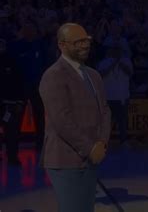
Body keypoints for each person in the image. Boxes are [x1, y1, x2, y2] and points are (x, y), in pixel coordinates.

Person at [39, 23, 111, 212]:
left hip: (92, 157)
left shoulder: (93, 75)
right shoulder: (53, 76)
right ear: (62, 45)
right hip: (65, 160)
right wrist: (89, 148)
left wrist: (102, 143)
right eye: (78, 42)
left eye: (86, 40)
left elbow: (104, 110)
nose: (84, 45)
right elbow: (62, 121)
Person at [97, 46, 133, 146]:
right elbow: (101, 75)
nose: (116, 52)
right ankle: (104, 142)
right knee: (106, 122)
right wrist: (112, 64)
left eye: (118, 50)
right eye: (114, 50)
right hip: (108, 97)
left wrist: (119, 62)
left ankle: (123, 141)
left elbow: (130, 73)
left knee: (122, 121)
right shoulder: (104, 62)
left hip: (122, 96)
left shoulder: (126, 61)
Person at [0, 38, 26, 166]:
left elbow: (19, 82)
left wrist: (20, 102)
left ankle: (12, 157)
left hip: (10, 104)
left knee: (12, 133)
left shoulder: (13, 61)